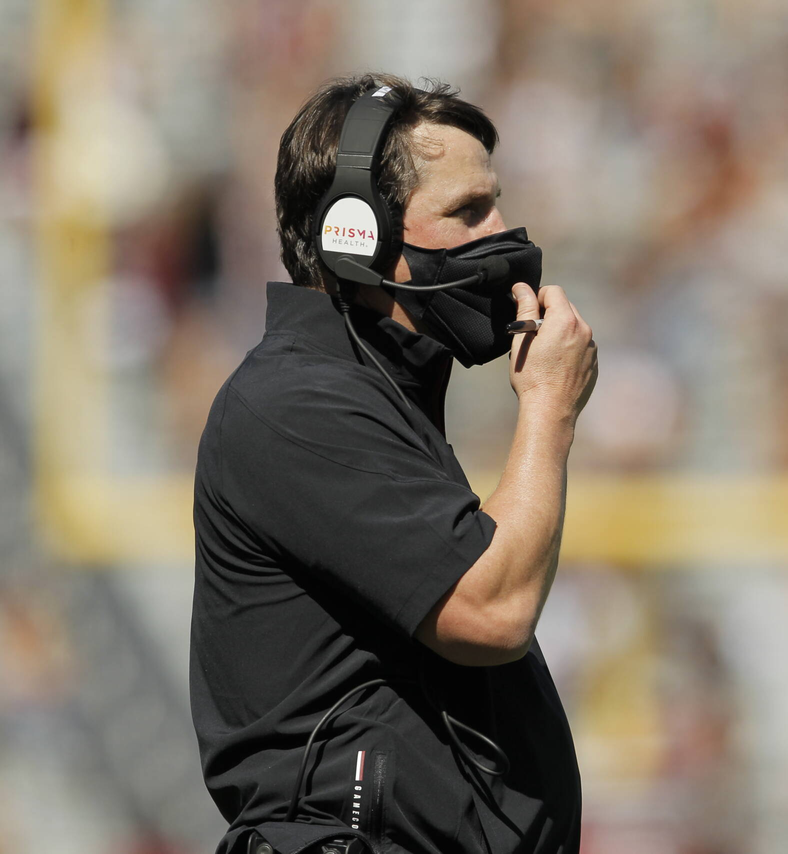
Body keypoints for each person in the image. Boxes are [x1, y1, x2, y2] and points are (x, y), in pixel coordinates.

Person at [189, 73, 597, 854]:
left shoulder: (371, 392)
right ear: (357, 237)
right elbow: (492, 610)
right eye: (467, 212)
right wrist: (548, 409)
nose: (503, 233)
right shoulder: (298, 405)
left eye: (496, 203)